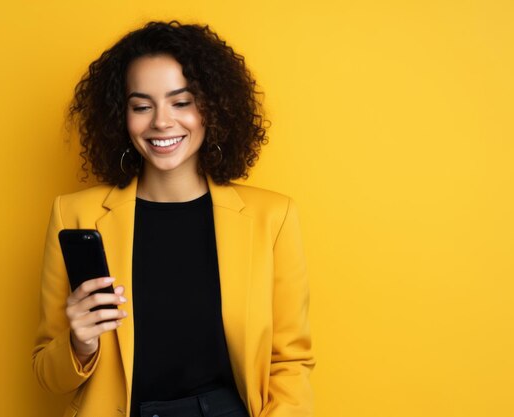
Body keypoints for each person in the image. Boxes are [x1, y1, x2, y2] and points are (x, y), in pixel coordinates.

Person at [32, 20, 314, 417]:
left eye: (181, 102)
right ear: (120, 117)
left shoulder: (273, 217)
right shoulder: (74, 214)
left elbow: (290, 362)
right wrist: (79, 344)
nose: (162, 122)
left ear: (212, 108)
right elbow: (48, 374)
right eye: (141, 106)